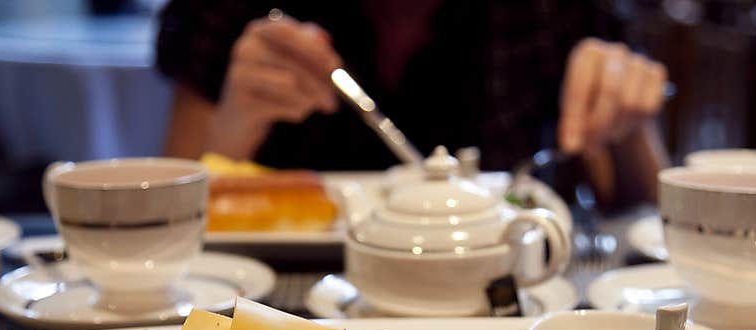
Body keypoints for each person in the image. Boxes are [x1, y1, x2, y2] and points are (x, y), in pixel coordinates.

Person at [157, 0, 670, 208]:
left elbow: (635, 206)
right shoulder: (228, 8)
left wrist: (627, 124)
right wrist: (231, 129)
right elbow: (166, 211)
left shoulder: (549, 10)